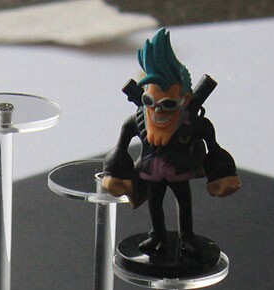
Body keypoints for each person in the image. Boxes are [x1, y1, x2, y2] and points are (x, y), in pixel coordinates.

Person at [102, 28, 240, 258]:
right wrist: (116, 175)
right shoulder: (137, 122)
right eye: (149, 101)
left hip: (179, 171)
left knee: (184, 204)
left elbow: (214, 150)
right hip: (151, 173)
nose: (157, 110)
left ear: (185, 99)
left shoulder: (193, 124)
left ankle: (187, 236)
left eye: (167, 104)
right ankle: (158, 235)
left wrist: (222, 175)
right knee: (154, 204)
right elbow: (120, 149)